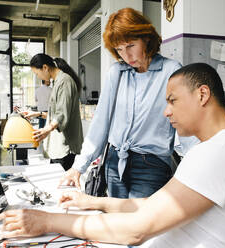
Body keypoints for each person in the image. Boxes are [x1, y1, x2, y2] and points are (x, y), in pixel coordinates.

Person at [0, 63, 225, 247]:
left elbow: (136, 231)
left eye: (172, 100)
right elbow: (153, 204)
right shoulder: (216, 148)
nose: (166, 112)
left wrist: (48, 221)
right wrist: (93, 202)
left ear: (202, 94)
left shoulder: (218, 154)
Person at [59, 7, 198, 198]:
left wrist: (198, 166)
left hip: (151, 164)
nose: (127, 56)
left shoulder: (171, 71)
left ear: (146, 39)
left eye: (131, 46)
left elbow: (185, 122)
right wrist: (78, 167)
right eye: (119, 50)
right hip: (114, 161)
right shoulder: (117, 73)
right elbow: (101, 123)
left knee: (139, 223)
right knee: (115, 219)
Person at [23, 54, 83, 171]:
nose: (38, 76)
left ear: (45, 67)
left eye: (37, 73)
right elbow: (57, 114)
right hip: (58, 148)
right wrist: (37, 114)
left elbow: (62, 114)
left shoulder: (64, 82)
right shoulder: (58, 82)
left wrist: (46, 129)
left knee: (63, 186)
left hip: (65, 148)